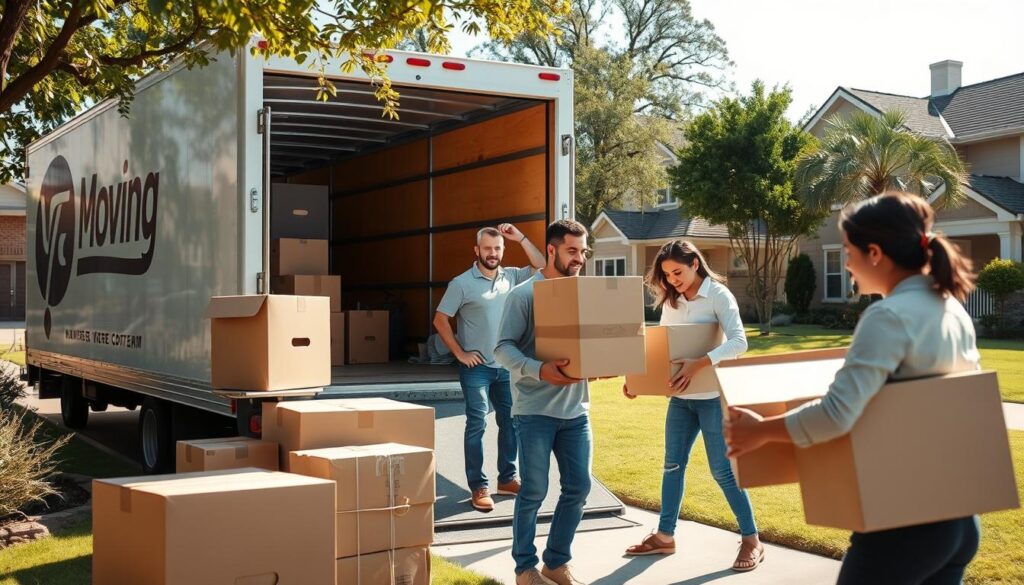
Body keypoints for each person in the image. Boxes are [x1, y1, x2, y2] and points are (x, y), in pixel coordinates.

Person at [725, 191, 981, 584]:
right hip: (959, 518)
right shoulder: (949, 308)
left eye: (848, 251)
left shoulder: (888, 316)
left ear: (874, 253)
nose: (845, 263)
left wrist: (759, 431)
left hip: (905, 521)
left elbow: (837, 414)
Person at [622, 239, 764, 572]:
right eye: (667, 275)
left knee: (722, 472)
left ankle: (752, 539)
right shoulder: (671, 300)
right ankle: (665, 535)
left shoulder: (718, 295)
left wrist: (700, 363)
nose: (672, 280)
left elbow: (739, 341)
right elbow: (661, 347)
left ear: (695, 264)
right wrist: (638, 381)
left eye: (677, 272)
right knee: (672, 465)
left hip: (712, 399)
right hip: (680, 400)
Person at [494, 219, 592, 585]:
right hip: (534, 411)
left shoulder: (583, 294)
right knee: (534, 490)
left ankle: (555, 562)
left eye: (583, 251)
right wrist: (539, 368)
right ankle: (524, 568)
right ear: (550, 250)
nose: (579, 258)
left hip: (576, 410)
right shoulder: (523, 295)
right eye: (572, 251)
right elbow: (501, 347)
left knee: (579, 488)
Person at [434, 223, 546, 512]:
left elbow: (542, 264)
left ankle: (507, 479)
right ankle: (478, 486)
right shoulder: (461, 283)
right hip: (477, 368)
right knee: (477, 423)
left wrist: (519, 237)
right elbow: (440, 319)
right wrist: (459, 352)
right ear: (477, 250)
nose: (492, 253)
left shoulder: (512, 277)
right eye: (487, 248)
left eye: (497, 248)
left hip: (507, 366)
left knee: (510, 422)